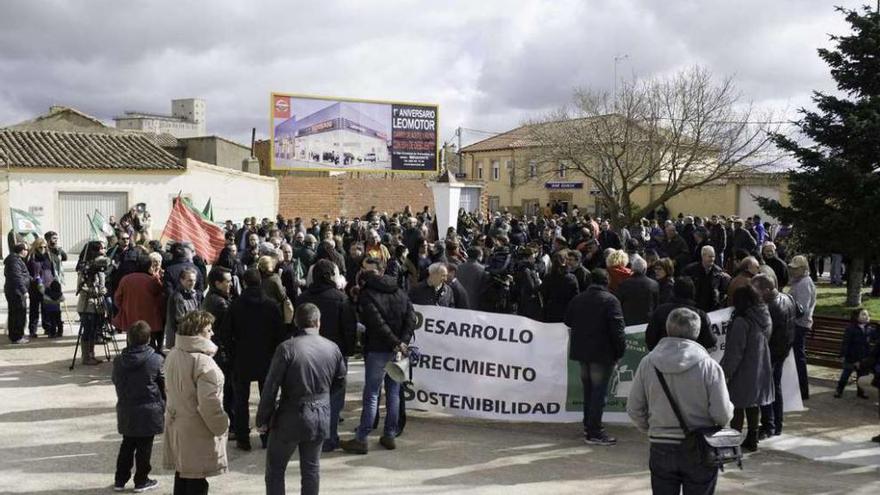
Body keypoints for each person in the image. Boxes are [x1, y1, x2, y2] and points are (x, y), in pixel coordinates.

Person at [627, 308, 734, 494]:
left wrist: (652, 427)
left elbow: (634, 408)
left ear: (667, 329)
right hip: (700, 446)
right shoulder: (709, 366)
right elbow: (722, 414)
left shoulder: (647, 362)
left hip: (661, 445)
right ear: (697, 332)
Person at [257, 303, 347, 495]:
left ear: (297, 322)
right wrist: (324, 400)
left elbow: (271, 387)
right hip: (320, 414)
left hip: (291, 414)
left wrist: (263, 419)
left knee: (275, 469)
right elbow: (340, 382)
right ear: (318, 322)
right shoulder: (332, 347)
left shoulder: (287, 348)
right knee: (311, 469)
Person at [340, 258, 416, 455]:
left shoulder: (367, 294)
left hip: (378, 349)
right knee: (393, 392)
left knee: (372, 393)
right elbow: (411, 318)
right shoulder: (400, 291)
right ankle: (389, 433)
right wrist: (402, 343)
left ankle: (362, 438)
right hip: (397, 350)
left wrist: (396, 343)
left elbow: (376, 322)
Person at [163, 311, 229, 494]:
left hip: (178, 426)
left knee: (183, 477)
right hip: (196, 430)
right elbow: (209, 403)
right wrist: (222, 424)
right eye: (209, 329)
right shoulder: (203, 363)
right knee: (197, 482)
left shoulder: (173, 355)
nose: (212, 333)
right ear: (198, 332)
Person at [295, 260, 358, 452]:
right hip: (334, 354)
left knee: (308, 396)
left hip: (307, 354)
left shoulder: (303, 298)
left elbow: (296, 326)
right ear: (332, 275)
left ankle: (310, 435)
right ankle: (329, 438)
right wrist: (348, 350)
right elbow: (349, 328)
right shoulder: (341, 298)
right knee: (334, 397)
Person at [225, 268, 285, 451]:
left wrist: (233, 353)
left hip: (242, 358)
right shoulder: (271, 305)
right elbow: (280, 334)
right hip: (267, 359)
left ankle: (243, 438)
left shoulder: (235, 305)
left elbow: (226, 334)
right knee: (267, 398)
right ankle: (267, 434)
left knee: (241, 400)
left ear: (243, 283)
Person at [564, 268, 626, 446]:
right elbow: (618, 331)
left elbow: (567, 320)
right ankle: (595, 431)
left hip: (582, 352)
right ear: (606, 282)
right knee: (599, 393)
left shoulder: (578, 298)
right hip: (602, 353)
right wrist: (619, 352)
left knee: (589, 391)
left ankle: (589, 426)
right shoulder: (611, 301)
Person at [720, 285, 774, 452]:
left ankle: (734, 440)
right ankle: (752, 437)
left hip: (743, 369)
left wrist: (726, 372)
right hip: (760, 366)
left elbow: (735, 350)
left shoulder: (741, 322)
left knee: (737, 405)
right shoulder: (763, 317)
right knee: (753, 404)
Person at [112, 321, 164, 493]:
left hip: (127, 407)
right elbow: (163, 385)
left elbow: (116, 380)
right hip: (149, 409)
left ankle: (120, 479)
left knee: (127, 443)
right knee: (144, 446)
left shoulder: (119, 361)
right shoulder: (156, 360)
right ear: (149, 339)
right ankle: (141, 479)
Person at [751, 274, 798, 438]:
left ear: (766, 290)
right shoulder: (788, 298)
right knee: (775, 388)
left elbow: (761, 333)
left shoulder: (768, 308)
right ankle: (776, 424)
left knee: (767, 390)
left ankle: (769, 426)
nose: (753, 293)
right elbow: (800, 311)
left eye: (755, 290)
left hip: (771, 353)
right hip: (783, 349)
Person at [201, 267, 236, 436]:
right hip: (222, 351)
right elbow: (228, 330)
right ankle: (230, 425)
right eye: (227, 281)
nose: (230, 284)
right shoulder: (219, 303)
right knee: (228, 389)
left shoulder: (214, 298)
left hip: (218, 349)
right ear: (217, 283)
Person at [646, 277, 717, 352]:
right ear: (693, 292)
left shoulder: (660, 311)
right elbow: (710, 342)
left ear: (673, 291)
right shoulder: (701, 315)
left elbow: (650, 338)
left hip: (663, 356)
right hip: (691, 358)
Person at [114, 256, 166, 352]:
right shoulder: (152, 280)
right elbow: (160, 296)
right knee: (149, 344)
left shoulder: (126, 279)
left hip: (130, 316)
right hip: (149, 319)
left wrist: (124, 308)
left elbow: (117, 298)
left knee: (131, 342)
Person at [787, 255, 816, 400]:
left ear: (803, 268)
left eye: (796, 268)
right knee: (797, 355)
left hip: (800, 324)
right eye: (792, 268)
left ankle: (802, 390)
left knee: (798, 356)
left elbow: (801, 309)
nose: (793, 271)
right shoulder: (799, 281)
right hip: (798, 323)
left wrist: (787, 309)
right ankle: (799, 389)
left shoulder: (804, 283)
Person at [77, 241, 110, 365]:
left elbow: (103, 284)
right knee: (88, 331)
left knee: (95, 331)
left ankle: (92, 354)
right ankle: (86, 357)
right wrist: (93, 290)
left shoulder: (101, 266)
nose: (102, 252)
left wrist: (103, 290)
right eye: (99, 249)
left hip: (99, 305)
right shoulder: (84, 268)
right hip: (87, 305)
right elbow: (80, 288)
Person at [835, 308, 877, 399]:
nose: (866, 316)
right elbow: (846, 343)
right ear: (856, 317)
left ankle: (860, 392)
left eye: (867, 315)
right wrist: (843, 355)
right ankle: (839, 390)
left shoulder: (869, 329)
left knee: (861, 375)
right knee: (845, 375)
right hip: (851, 357)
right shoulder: (851, 329)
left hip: (863, 357)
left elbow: (875, 339)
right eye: (863, 314)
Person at [164, 268, 203, 350]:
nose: (192, 283)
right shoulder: (177, 296)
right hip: (180, 338)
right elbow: (180, 320)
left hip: (190, 335)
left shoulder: (193, 294)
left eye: (194, 280)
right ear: (181, 280)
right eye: (189, 280)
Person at [616, 254, 659, 325]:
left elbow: (619, 303)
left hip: (628, 321)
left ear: (632, 269)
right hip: (647, 322)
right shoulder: (654, 284)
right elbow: (656, 305)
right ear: (645, 269)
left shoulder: (624, 284)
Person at [683, 246, 728, 312]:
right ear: (703, 256)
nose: (712, 259)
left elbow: (722, 290)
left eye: (713, 256)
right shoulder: (690, 270)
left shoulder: (718, 272)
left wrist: (718, 302)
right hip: (695, 306)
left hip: (712, 308)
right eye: (710, 256)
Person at [540, 251, 580, 323]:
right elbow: (575, 296)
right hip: (565, 313)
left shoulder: (548, 277)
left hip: (550, 312)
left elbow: (543, 293)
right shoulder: (571, 278)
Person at [27, 238, 55, 338]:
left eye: (44, 247)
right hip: (35, 287)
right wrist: (33, 279)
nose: (43, 249)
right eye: (40, 247)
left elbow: (52, 271)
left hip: (47, 286)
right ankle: (32, 330)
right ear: (36, 247)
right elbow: (27, 272)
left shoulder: (48, 256)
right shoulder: (31, 258)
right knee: (34, 309)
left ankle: (47, 328)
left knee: (46, 309)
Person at [5, 242, 31, 344]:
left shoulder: (17, 260)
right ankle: (16, 336)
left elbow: (24, 275)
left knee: (17, 313)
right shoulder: (14, 261)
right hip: (16, 292)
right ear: (22, 250)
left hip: (15, 290)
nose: (27, 252)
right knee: (18, 314)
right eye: (26, 250)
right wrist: (24, 291)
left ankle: (16, 335)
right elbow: (17, 277)